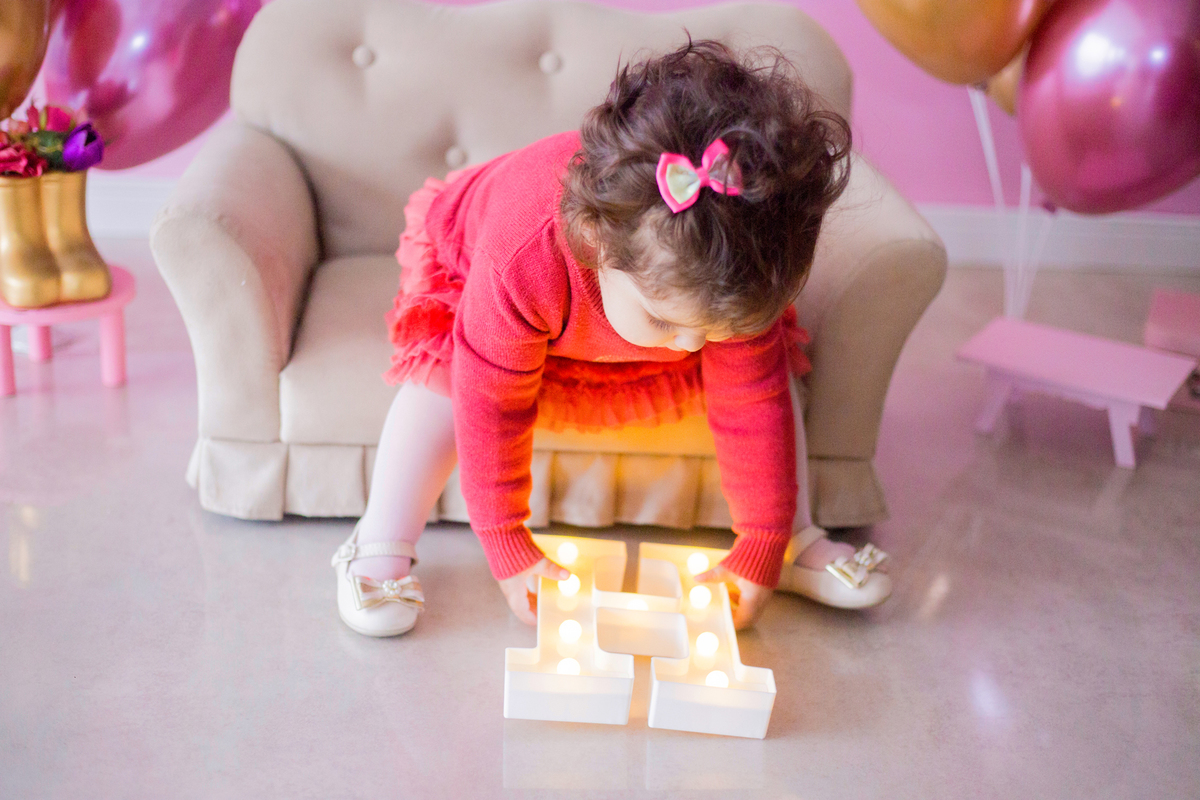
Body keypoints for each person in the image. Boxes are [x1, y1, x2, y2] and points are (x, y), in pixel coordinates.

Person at [331, 39, 892, 638]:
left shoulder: (728, 268)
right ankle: (380, 537)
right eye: (666, 324)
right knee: (443, 383)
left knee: (768, 372)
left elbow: (751, 404)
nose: (689, 350)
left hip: (617, 303)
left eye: (709, 333)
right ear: (599, 246)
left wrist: (759, 542)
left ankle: (792, 539)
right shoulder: (523, 254)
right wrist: (509, 550)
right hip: (482, 276)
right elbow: (491, 404)